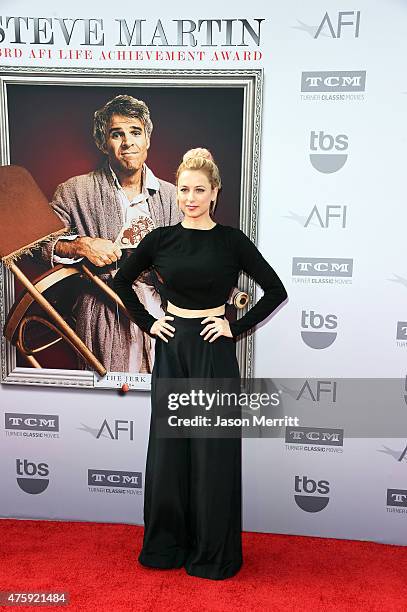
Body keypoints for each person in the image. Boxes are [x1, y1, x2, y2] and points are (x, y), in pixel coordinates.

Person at [113, 148, 288, 580]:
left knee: (212, 451)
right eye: (185, 189)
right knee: (170, 451)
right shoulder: (160, 239)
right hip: (173, 348)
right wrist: (151, 323)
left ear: (215, 193)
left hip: (213, 351)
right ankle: (166, 547)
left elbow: (275, 290)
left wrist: (234, 325)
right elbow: (121, 281)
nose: (190, 197)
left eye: (200, 190)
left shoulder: (231, 241)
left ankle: (213, 553)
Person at [42, 95, 183, 373]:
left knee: (159, 401)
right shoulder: (74, 191)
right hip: (102, 313)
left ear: (147, 140)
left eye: (135, 132)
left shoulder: (174, 196)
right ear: (103, 143)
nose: (128, 142)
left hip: (161, 314)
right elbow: (38, 244)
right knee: (105, 403)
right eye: (116, 134)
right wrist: (81, 246)